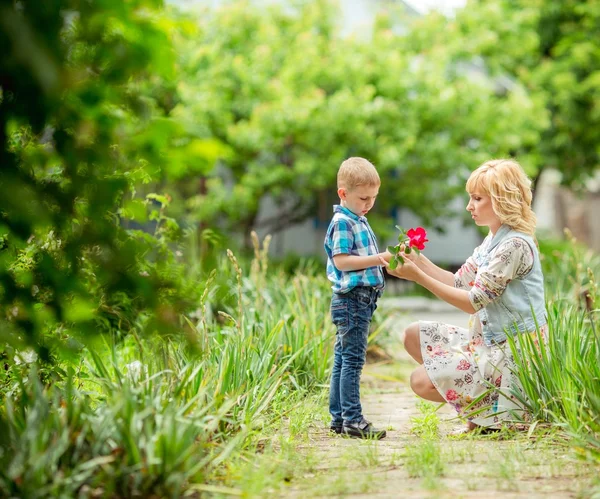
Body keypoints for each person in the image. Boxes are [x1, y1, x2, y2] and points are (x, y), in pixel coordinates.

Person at [381, 159, 547, 432]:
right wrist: (418, 260)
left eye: (477, 198)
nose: (469, 206)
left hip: (512, 356)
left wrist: (418, 277)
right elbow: (460, 282)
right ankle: (483, 414)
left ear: (501, 200)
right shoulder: (493, 239)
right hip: (488, 347)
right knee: (413, 334)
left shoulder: (514, 245)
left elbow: (473, 302)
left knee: (420, 380)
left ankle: (493, 413)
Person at [324, 157, 391, 439]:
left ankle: (339, 418)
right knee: (352, 361)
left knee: (343, 358)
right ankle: (353, 419)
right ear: (343, 193)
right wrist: (379, 259)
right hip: (352, 299)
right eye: (364, 197)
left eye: (373, 198)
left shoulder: (358, 219)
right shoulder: (343, 222)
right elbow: (341, 261)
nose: (369, 204)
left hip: (360, 299)